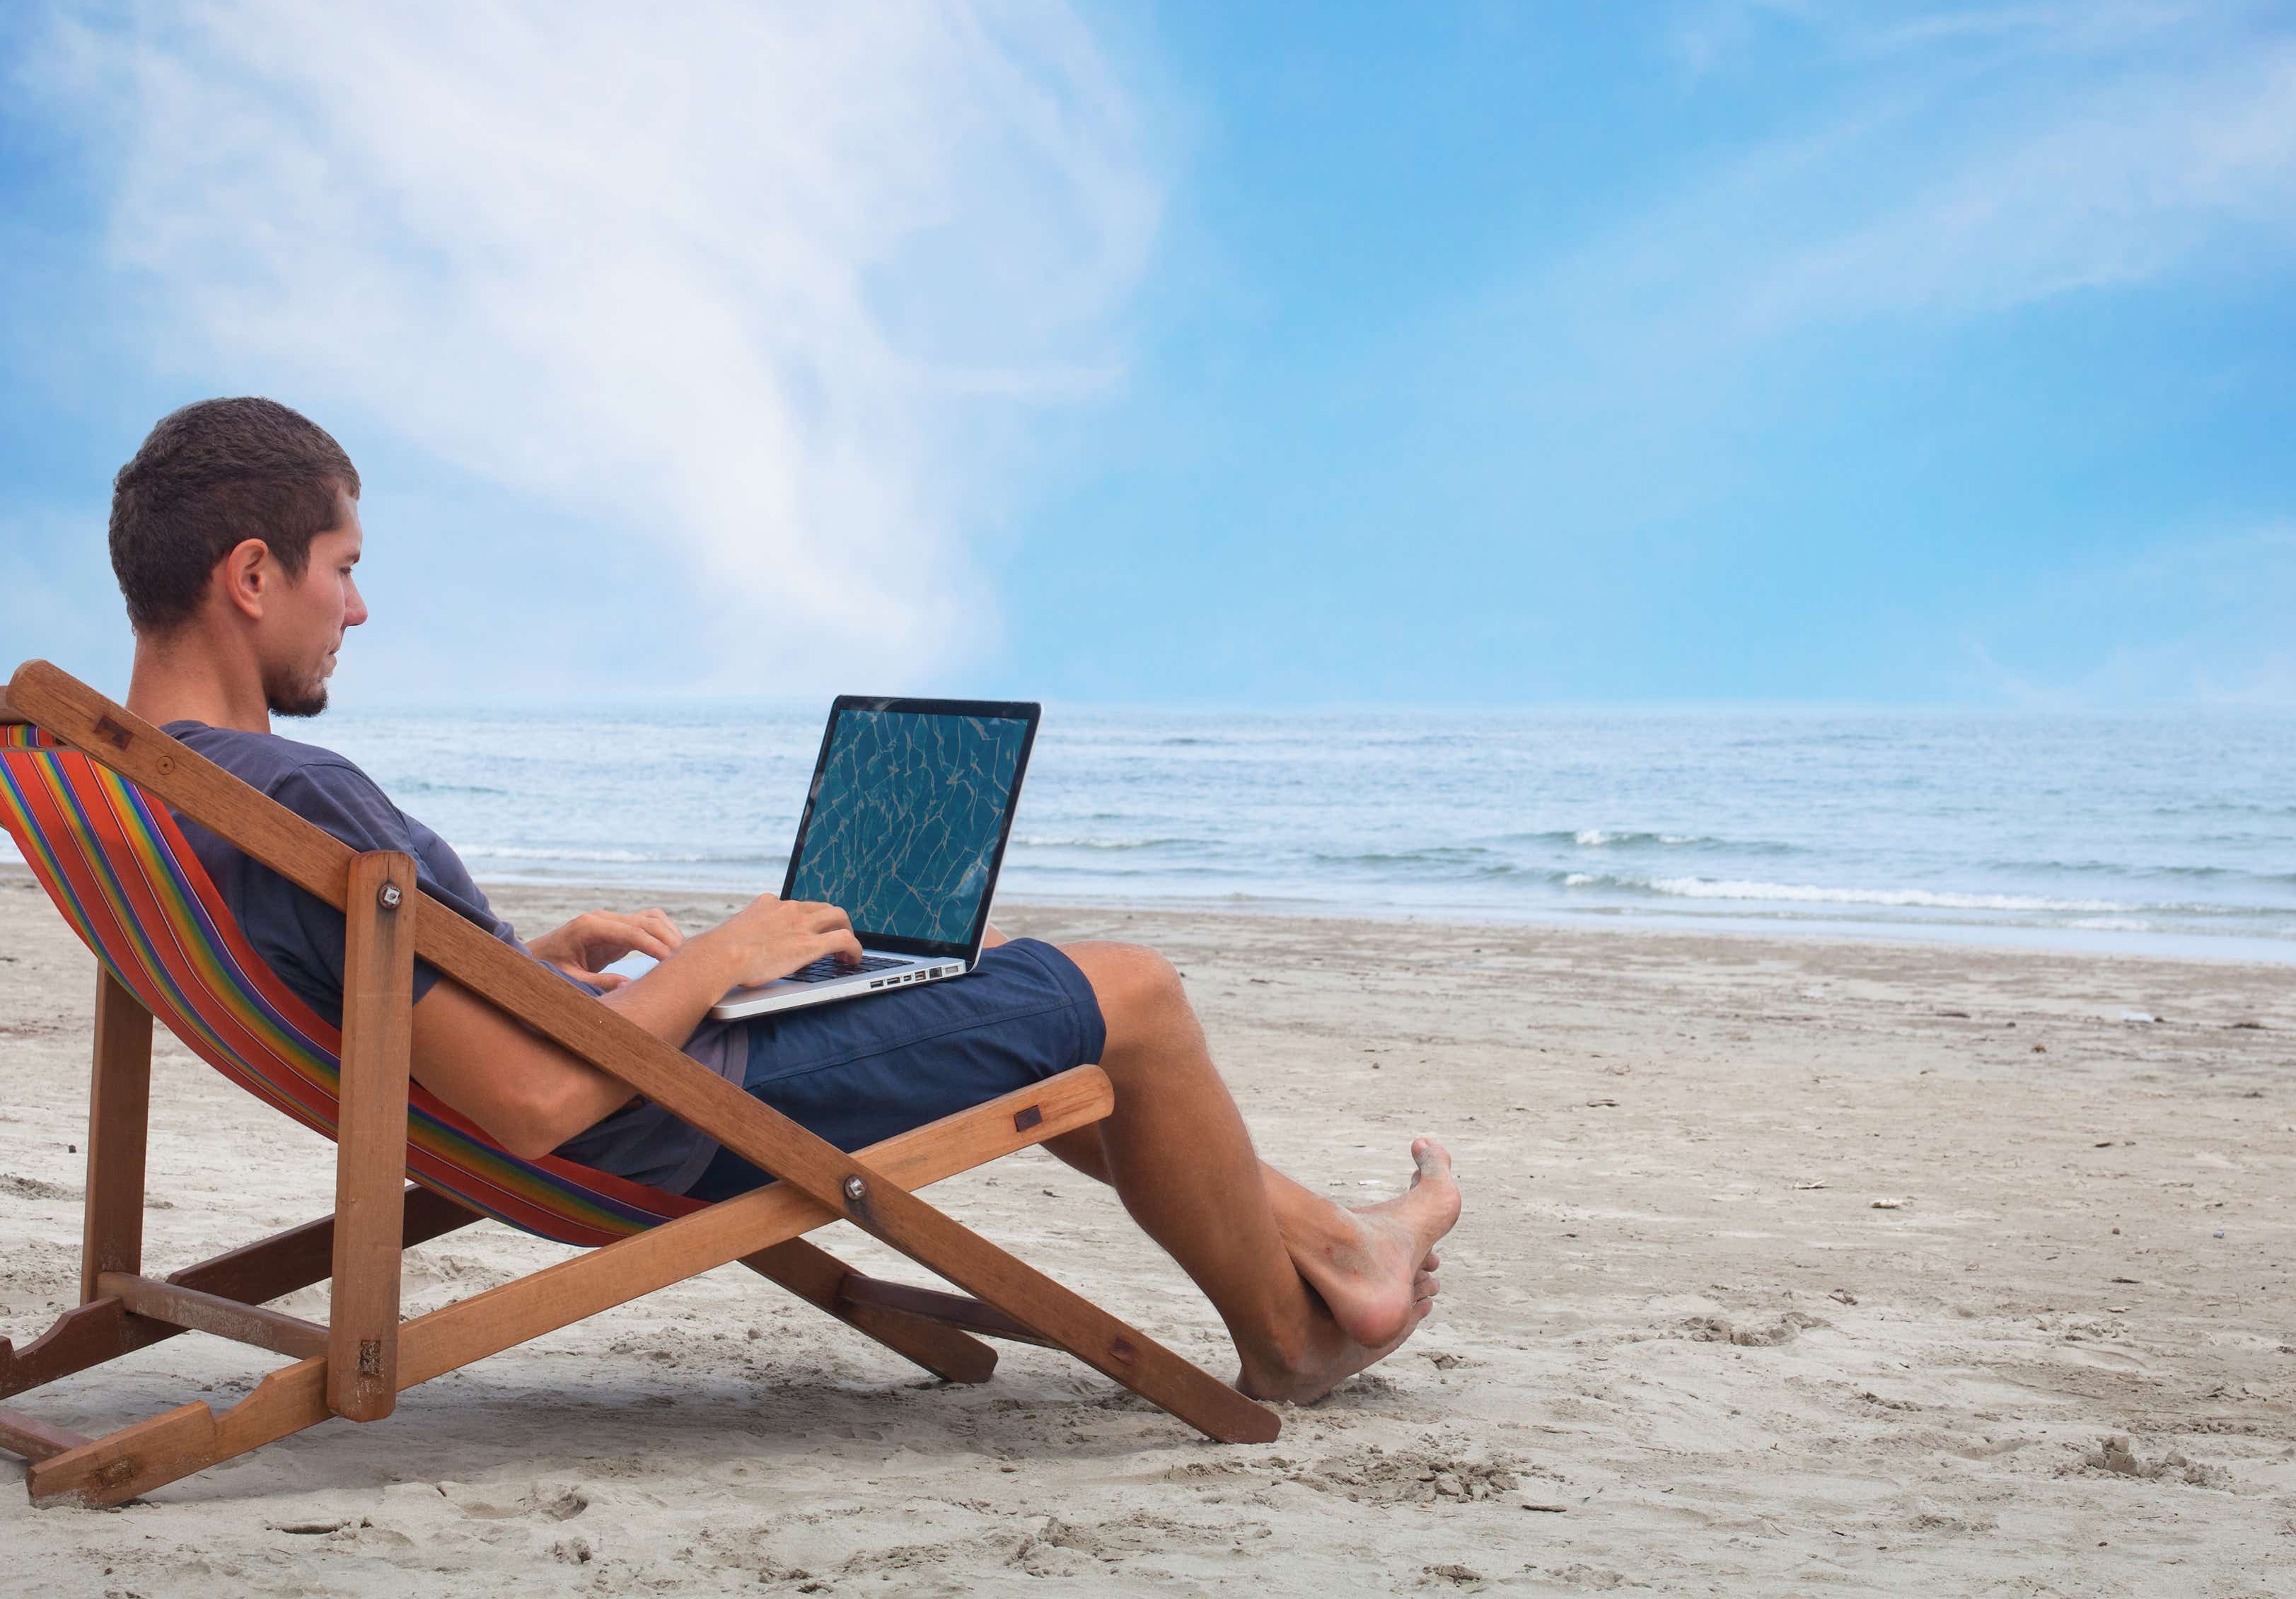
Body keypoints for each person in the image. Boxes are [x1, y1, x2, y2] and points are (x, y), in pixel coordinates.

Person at [107, 395, 1457, 1402]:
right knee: (1131, 996)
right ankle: (1295, 1334)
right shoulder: (294, 795)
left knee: (976, 996)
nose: (357, 610)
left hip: (636, 1074)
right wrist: (717, 961)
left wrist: (538, 962)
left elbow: (411, 1005)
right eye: (343, 568)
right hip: (673, 1119)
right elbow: (524, 1104)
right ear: (251, 574)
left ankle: (1342, 1248)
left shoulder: (151, 787)